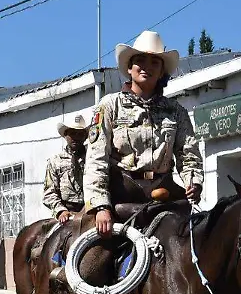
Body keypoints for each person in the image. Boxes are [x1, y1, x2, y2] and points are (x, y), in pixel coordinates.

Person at [85, 30, 203, 238]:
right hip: (120, 196)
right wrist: (101, 206)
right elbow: (96, 158)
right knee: (95, 261)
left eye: (155, 63)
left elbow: (188, 152)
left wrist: (192, 182)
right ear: (129, 68)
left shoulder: (176, 111)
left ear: (161, 72)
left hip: (164, 195)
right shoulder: (110, 106)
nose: (147, 67)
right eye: (140, 61)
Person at [44, 115, 88, 223]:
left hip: (90, 209)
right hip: (67, 212)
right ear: (65, 135)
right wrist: (60, 211)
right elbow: (49, 192)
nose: (76, 137)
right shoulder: (54, 161)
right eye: (72, 133)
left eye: (80, 134)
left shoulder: (94, 158)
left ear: (85, 136)